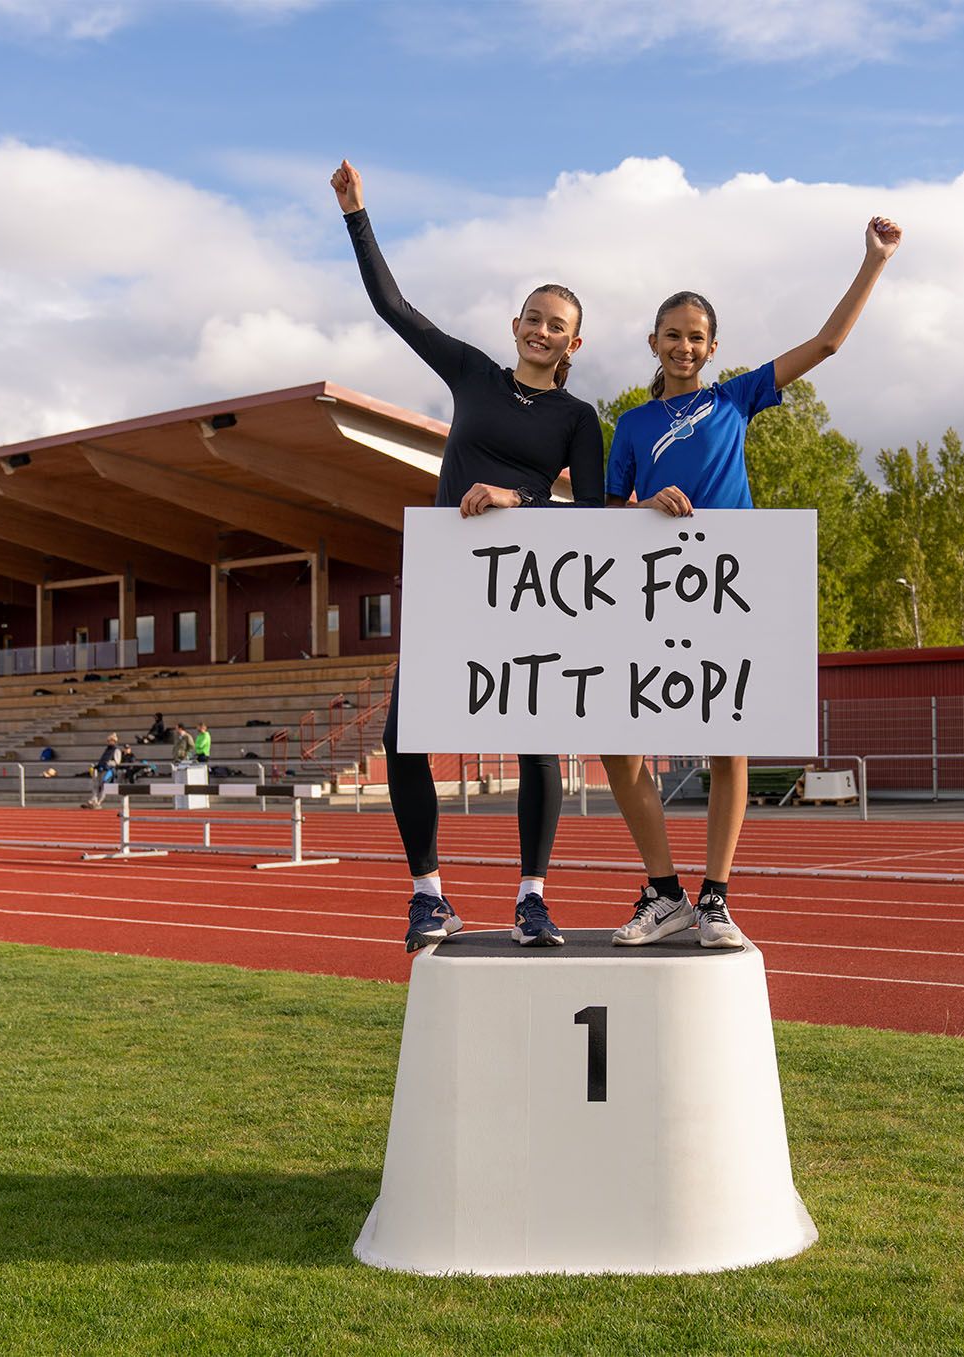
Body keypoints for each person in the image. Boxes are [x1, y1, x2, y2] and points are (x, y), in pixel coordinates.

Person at [603, 216, 903, 948]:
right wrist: (644, 508)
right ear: (654, 344)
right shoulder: (632, 424)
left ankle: (714, 899)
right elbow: (610, 518)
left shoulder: (734, 399)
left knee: (726, 746)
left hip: (726, 592)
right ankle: (664, 890)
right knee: (617, 744)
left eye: (696, 335)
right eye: (671, 334)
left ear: (712, 347)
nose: (683, 345)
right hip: (650, 597)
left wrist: (873, 262)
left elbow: (828, 343)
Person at [332, 157, 605, 951]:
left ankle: (532, 898)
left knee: (535, 741)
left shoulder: (579, 419)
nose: (540, 328)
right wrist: (357, 211)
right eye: (531, 316)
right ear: (514, 325)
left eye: (556, 323)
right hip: (453, 582)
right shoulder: (473, 376)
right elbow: (392, 306)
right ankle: (428, 896)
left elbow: (588, 515)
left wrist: (520, 500)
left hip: (527, 589)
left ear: (573, 341)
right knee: (403, 736)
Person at [86, 734, 122, 809]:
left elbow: (117, 762)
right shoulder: (107, 749)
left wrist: (108, 764)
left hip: (108, 770)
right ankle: (93, 800)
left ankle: (99, 802)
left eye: (110, 740)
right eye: (108, 741)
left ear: (114, 741)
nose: (108, 742)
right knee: (96, 785)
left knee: (103, 786)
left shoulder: (116, 750)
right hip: (100, 769)